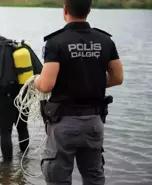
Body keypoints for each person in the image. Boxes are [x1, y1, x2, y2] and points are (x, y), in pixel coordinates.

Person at [34, 0, 124, 184]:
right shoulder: (105, 41)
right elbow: (117, 78)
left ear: (65, 10)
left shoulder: (55, 42)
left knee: (58, 179)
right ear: (89, 10)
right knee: (94, 178)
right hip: (94, 122)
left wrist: (36, 80)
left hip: (64, 123)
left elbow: (46, 85)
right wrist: (90, 83)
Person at [0, 25, 43, 162]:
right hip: (23, 94)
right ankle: (25, 161)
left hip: (5, 96)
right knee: (22, 127)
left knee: (5, 131)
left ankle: (6, 168)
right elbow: (40, 69)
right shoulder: (17, 45)